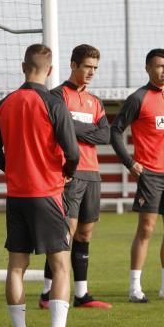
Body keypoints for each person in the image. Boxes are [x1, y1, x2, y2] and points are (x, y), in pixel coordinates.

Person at [0, 43, 88, 327]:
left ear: (23, 66)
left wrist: (15, 168)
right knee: (60, 264)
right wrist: (67, 171)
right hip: (47, 192)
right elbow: (72, 151)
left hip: (17, 195)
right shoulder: (53, 102)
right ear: (52, 70)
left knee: (16, 265)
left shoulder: (4, 104)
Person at [110, 48, 164, 303]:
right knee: (146, 229)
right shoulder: (138, 98)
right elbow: (115, 131)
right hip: (150, 174)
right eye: (159, 66)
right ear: (148, 69)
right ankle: (135, 288)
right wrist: (130, 163)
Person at [39, 44, 112, 310]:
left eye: (95, 68)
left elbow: (105, 135)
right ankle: (47, 294)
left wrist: (74, 127)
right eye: (87, 67)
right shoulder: (57, 96)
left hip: (92, 173)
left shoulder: (95, 101)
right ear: (73, 65)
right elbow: (59, 128)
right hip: (69, 173)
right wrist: (83, 129)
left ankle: (82, 295)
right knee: (65, 233)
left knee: (85, 232)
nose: (91, 72)